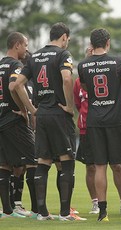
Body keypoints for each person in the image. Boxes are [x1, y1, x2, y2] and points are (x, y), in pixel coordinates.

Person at [13, 22, 83, 221]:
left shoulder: (34, 57)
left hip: (41, 115)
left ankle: (42, 213)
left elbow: (17, 84)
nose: (67, 43)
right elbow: (67, 78)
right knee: (67, 162)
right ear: (63, 37)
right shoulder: (63, 54)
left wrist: (32, 109)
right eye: (67, 40)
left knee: (43, 162)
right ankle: (64, 213)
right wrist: (69, 106)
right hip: (59, 115)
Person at [77, 28, 121, 221]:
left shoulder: (83, 65)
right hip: (116, 120)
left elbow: (85, 88)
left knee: (99, 166)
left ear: (91, 43)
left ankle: (102, 212)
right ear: (108, 42)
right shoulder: (118, 62)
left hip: (94, 121)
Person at [74, 47, 121, 215]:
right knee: (91, 167)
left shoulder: (112, 72)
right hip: (88, 127)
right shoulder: (79, 81)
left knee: (116, 165)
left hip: (110, 124)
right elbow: (77, 103)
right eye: (88, 52)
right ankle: (95, 202)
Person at [0, 32, 37, 218]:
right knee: (35, 159)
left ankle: (7, 211)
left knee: (4, 164)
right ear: (17, 45)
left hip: (1, 120)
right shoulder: (16, 65)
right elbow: (14, 86)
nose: (27, 49)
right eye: (26, 45)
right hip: (14, 120)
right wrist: (27, 109)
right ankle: (39, 210)